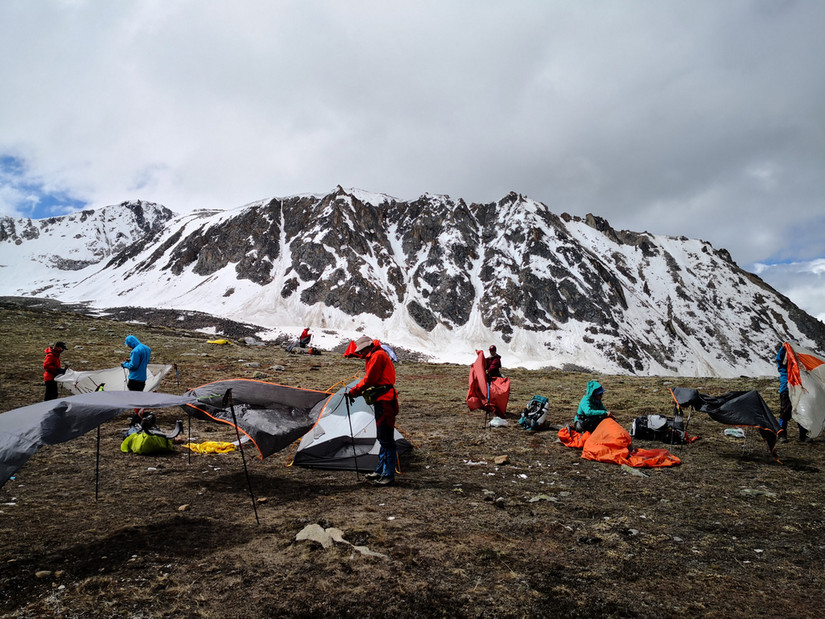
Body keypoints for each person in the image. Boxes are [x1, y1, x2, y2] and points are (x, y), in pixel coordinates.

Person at [347, 335, 399, 486]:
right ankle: (381, 470)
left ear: (368, 347)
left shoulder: (377, 356)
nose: (360, 354)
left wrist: (354, 391)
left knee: (386, 437)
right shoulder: (375, 354)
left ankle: (388, 474)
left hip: (385, 400)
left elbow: (370, 379)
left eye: (362, 351)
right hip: (382, 399)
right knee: (383, 436)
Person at [776, 344, 811, 443]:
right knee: (784, 412)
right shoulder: (783, 367)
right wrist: (784, 348)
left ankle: (803, 435)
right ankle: (782, 435)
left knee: (800, 412)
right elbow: (779, 358)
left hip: (797, 389)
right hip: (786, 390)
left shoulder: (798, 366)